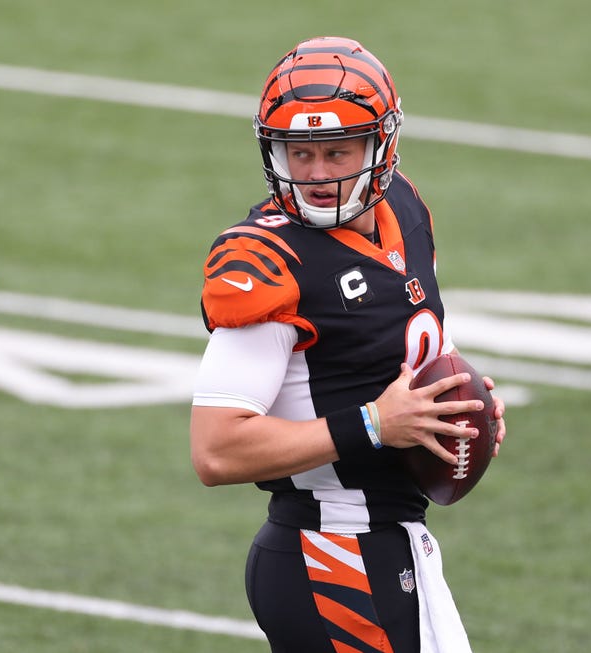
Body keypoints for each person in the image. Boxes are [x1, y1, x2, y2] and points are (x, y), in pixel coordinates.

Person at [190, 36, 507, 653]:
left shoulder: (405, 209)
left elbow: (396, 348)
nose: (316, 174)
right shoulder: (266, 259)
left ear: (381, 146)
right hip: (329, 551)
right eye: (298, 152)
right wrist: (374, 424)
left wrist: (457, 402)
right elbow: (216, 451)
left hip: (391, 542)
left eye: (337, 152)